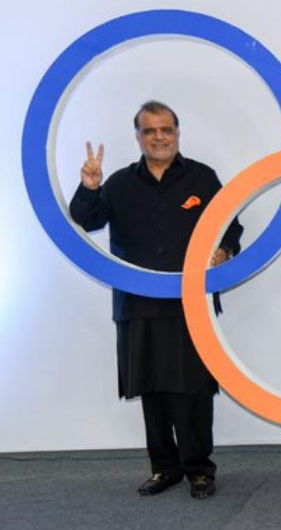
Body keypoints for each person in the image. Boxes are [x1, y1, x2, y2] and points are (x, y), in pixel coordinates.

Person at [69, 101, 242, 499]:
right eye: (150, 131)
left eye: (166, 129)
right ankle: (165, 468)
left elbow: (231, 225)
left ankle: (199, 470)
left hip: (191, 303)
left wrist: (225, 251)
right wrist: (89, 187)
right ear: (138, 137)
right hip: (137, 303)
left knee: (194, 389)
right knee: (152, 388)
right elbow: (88, 220)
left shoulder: (202, 177)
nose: (158, 137)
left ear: (177, 133)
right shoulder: (118, 183)